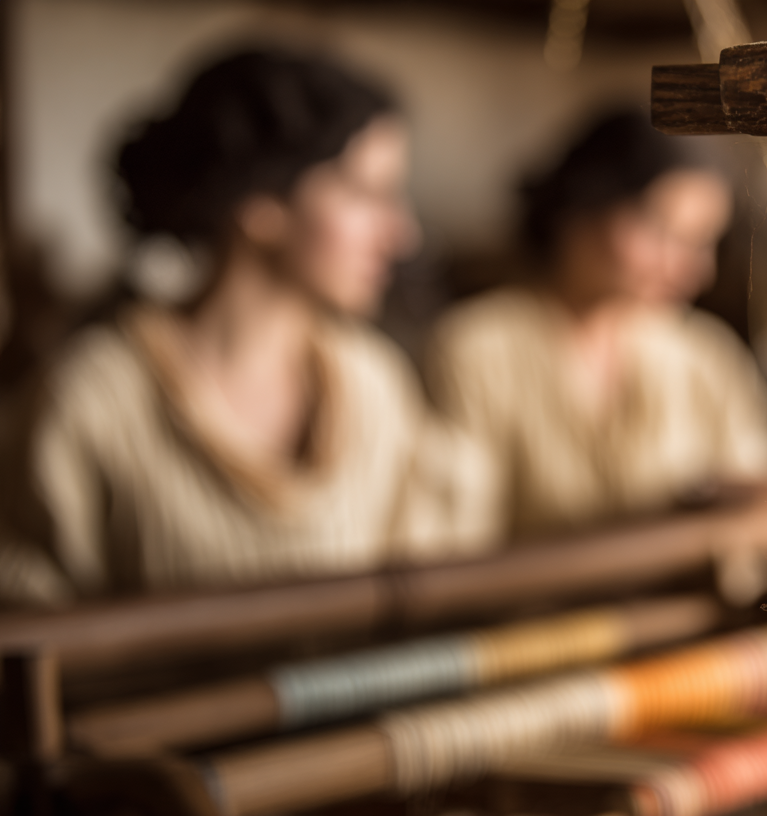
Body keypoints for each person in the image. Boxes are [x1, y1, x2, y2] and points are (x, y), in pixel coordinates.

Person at [0, 47, 499, 607]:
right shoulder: (88, 405)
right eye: (368, 196)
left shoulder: (373, 381)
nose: (402, 234)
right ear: (259, 205)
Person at [428, 111, 767, 539]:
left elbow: (759, 516)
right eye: (665, 234)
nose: (694, 270)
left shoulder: (705, 357)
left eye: (703, 242)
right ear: (583, 208)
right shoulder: (477, 350)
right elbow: (452, 539)